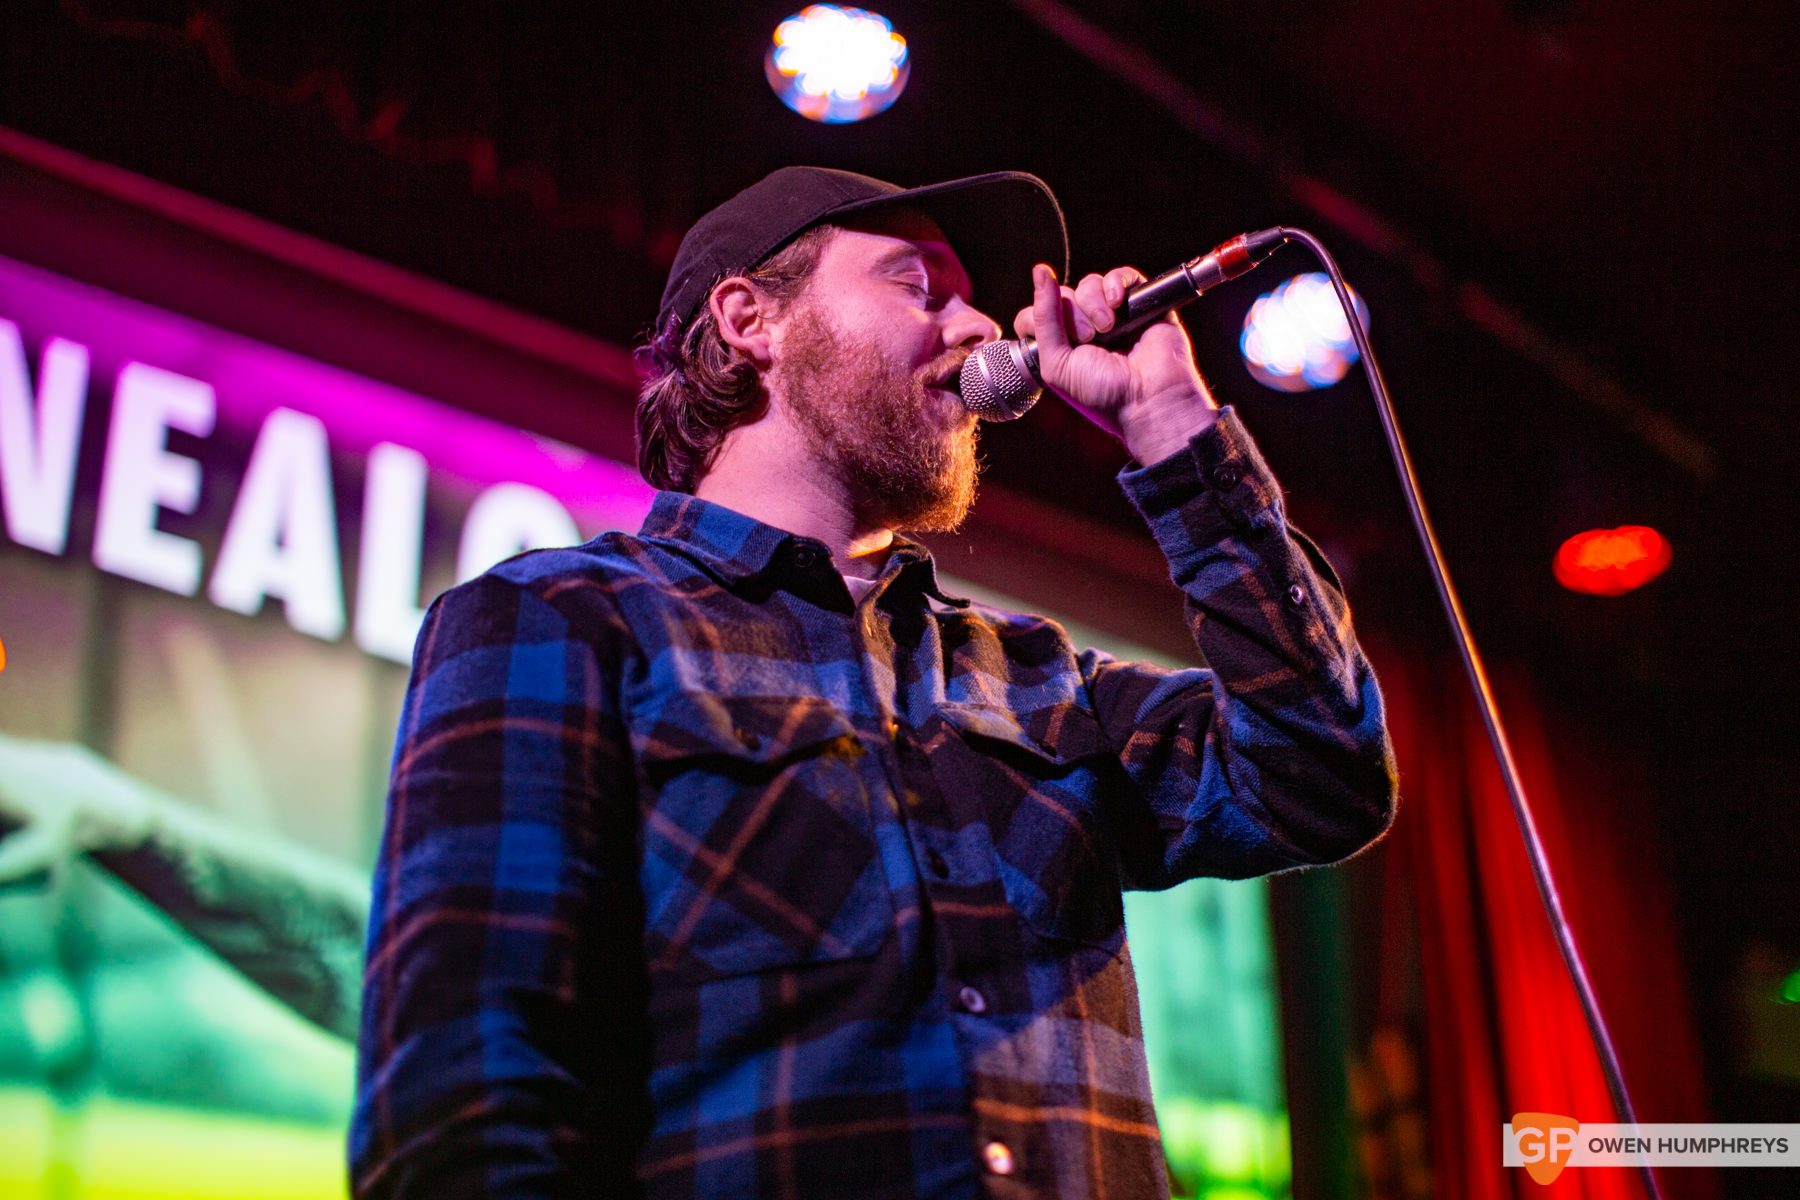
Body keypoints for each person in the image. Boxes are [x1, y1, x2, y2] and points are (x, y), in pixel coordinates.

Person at [349, 166, 1397, 1200]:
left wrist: (1174, 432)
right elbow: (467, 1111)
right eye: (918, 286)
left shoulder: (1038, 677)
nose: (975, 326)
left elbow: (1321, 778)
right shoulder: (560, 619)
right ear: (750, 319)